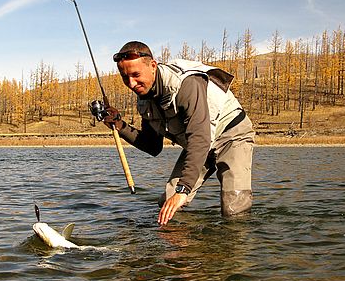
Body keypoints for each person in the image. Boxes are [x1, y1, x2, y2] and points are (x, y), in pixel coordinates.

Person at [102, 41, 255, 225]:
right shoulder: (145, 100)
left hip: (231, 135)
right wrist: (119, 125)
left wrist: (183, 190)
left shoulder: (186, 84)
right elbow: (153, 146)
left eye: (136, 75)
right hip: (199, 144)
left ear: (152, 66)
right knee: (168, 203)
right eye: (125, 77)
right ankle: (183, 250)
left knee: (233, 210)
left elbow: (200, 138)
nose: (131, 84)